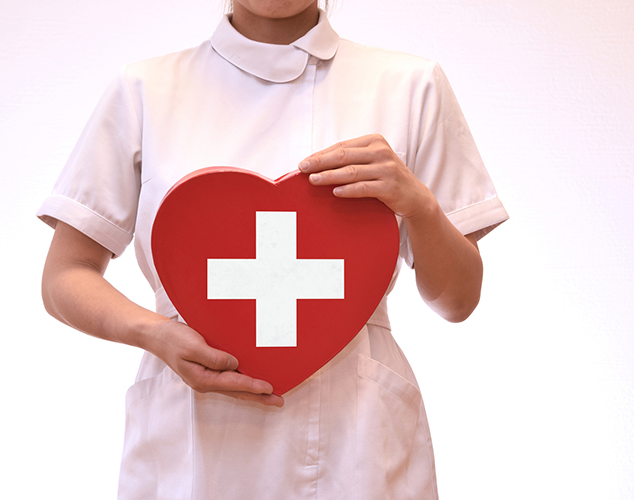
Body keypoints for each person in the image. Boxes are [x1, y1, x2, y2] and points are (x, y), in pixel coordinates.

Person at [39, 1, 508, 498]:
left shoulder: (410, 85)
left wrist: (421, 206)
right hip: (192, 435)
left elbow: (458, 301)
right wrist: (156, 334)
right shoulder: (144, 90)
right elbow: (65, 275)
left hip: (356, 440)